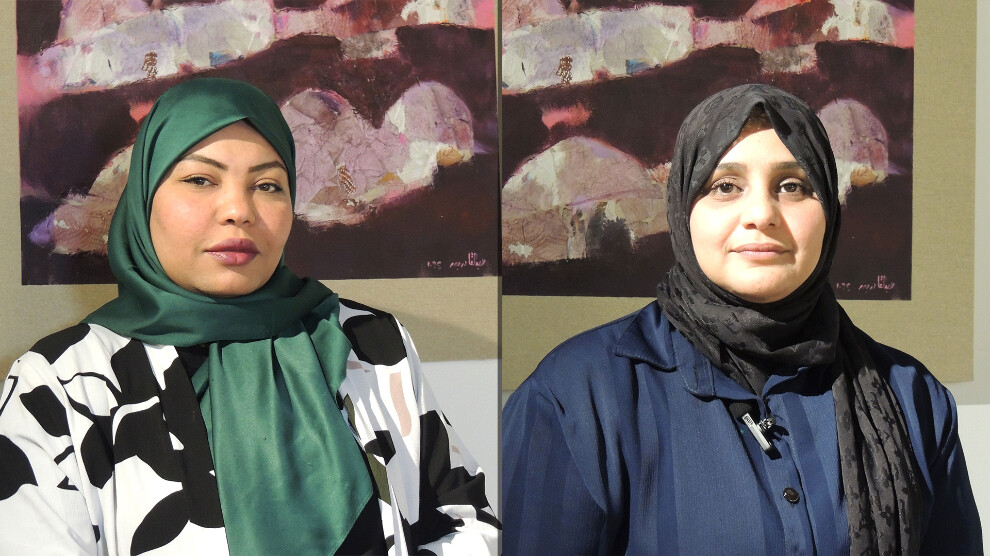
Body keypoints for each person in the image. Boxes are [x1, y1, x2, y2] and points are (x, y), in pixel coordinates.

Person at [0, 78, 499, 555]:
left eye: (267, 184)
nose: (238, 210)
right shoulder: (62, 383)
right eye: (200, 179)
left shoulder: (369, 342)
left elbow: (464, 519)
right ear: (145, 196)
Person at [501, 84, 981, 554]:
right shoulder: (578, 398)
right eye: (725, 186)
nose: (761, 214)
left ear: (830, 213)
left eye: (792, 186)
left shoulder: (911, 398)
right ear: (683, 209)